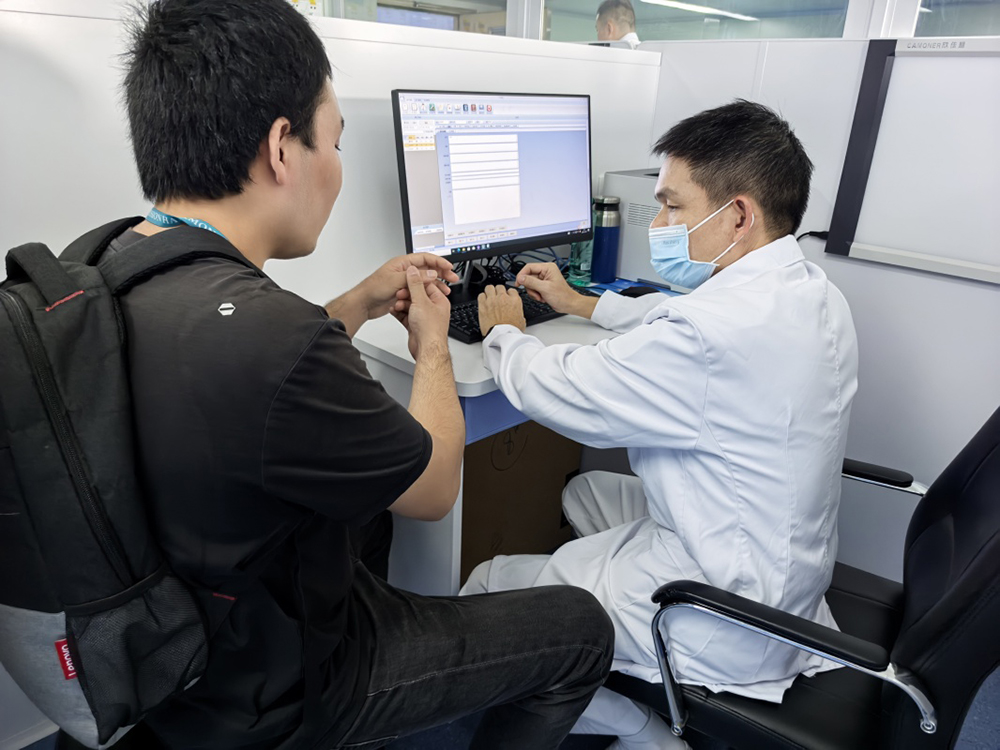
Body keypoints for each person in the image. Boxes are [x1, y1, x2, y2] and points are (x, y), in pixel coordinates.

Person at [108, 1, 615, 748]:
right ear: (282, 149)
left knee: (368, 511)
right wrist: (434, 344)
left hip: (171, 643)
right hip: (280, 682)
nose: (338, 167)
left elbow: (250, 369)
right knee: (582, 628)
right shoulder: (279, 337)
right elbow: (435, 491)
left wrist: (359, 301)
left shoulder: (115, 264)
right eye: (336, 141)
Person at [468, 100, 859, 750]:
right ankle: (599, 626)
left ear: (739, 215)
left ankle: (646, 731)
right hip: (780, 569)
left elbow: (568, 392)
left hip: (721, 612)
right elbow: (679, 323)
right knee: (584, 492)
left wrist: (504, 335)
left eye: (673, 206)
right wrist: (580, 303)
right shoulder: (809, 291)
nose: (660, 224)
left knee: (487, 586)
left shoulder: (710, 336)